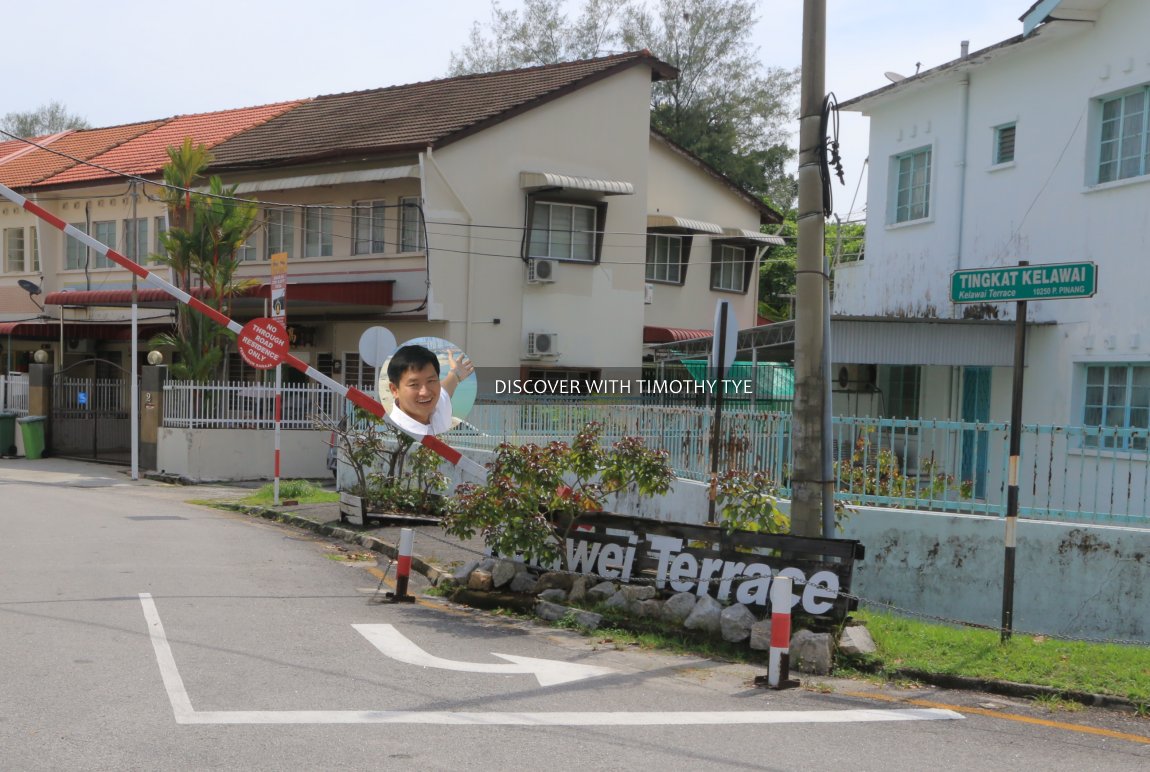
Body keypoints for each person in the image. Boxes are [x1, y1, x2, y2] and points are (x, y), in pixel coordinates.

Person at [385, 344, 473, 437]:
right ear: (394, 390)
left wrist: (456, 373)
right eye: (414, 384)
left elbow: (448, 385)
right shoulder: (394, 433)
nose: (425, 392)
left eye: (431, 381)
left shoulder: (438, 404)